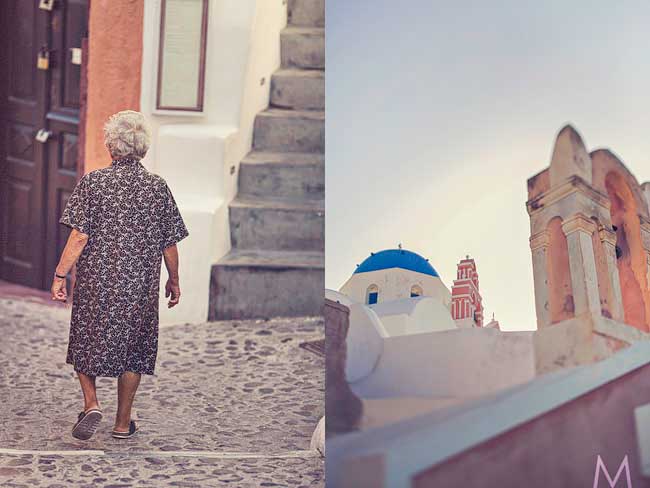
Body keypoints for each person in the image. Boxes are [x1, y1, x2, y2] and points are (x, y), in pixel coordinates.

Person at [50, 110, 189, 440]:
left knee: (86, 341)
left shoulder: (94, 182)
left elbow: (79, 236)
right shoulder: (157, 187)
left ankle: (91, 402)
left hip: (97, 283)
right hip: (139, 286)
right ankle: (122, 423)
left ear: (112, 146)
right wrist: (174, 279)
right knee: (135, 350)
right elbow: (169, 241)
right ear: (143, 148)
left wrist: (60, 275)